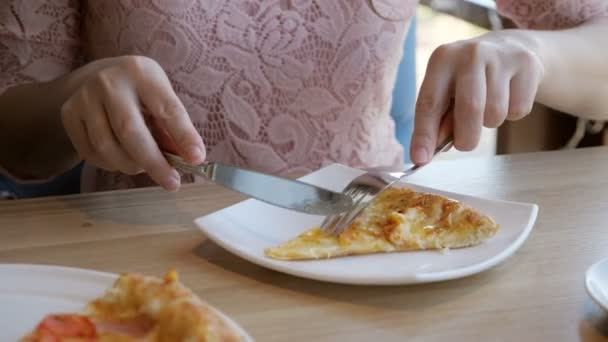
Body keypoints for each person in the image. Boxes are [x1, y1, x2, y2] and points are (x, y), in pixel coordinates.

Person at [0, 1, 607, 197]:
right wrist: (74, 97)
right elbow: (14, 145)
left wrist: (536, 53)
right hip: (140, 263)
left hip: (366, 246)